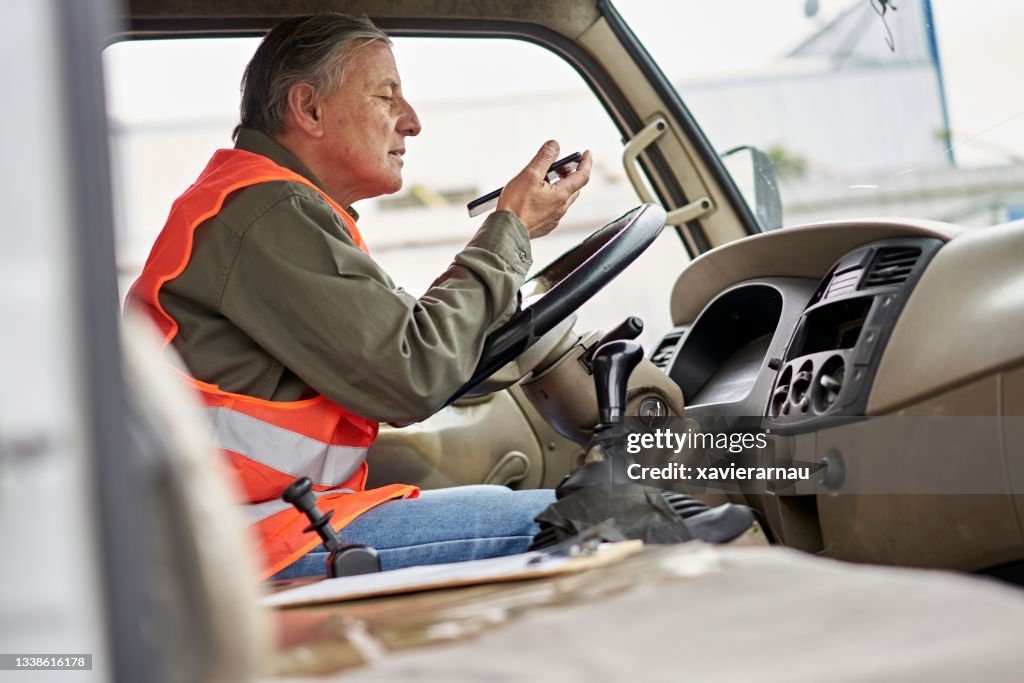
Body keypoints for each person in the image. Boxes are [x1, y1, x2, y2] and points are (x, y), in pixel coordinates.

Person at [126, 13, 593, 580]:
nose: (412, 122)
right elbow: (413, 375)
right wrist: (509, 230)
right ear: (310, 109)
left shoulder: (270, 207)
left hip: (260, 523)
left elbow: (404, 349)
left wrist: (502, 254)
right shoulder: (266, 214)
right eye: (386, 96)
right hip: (251, 541)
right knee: (586, 519)